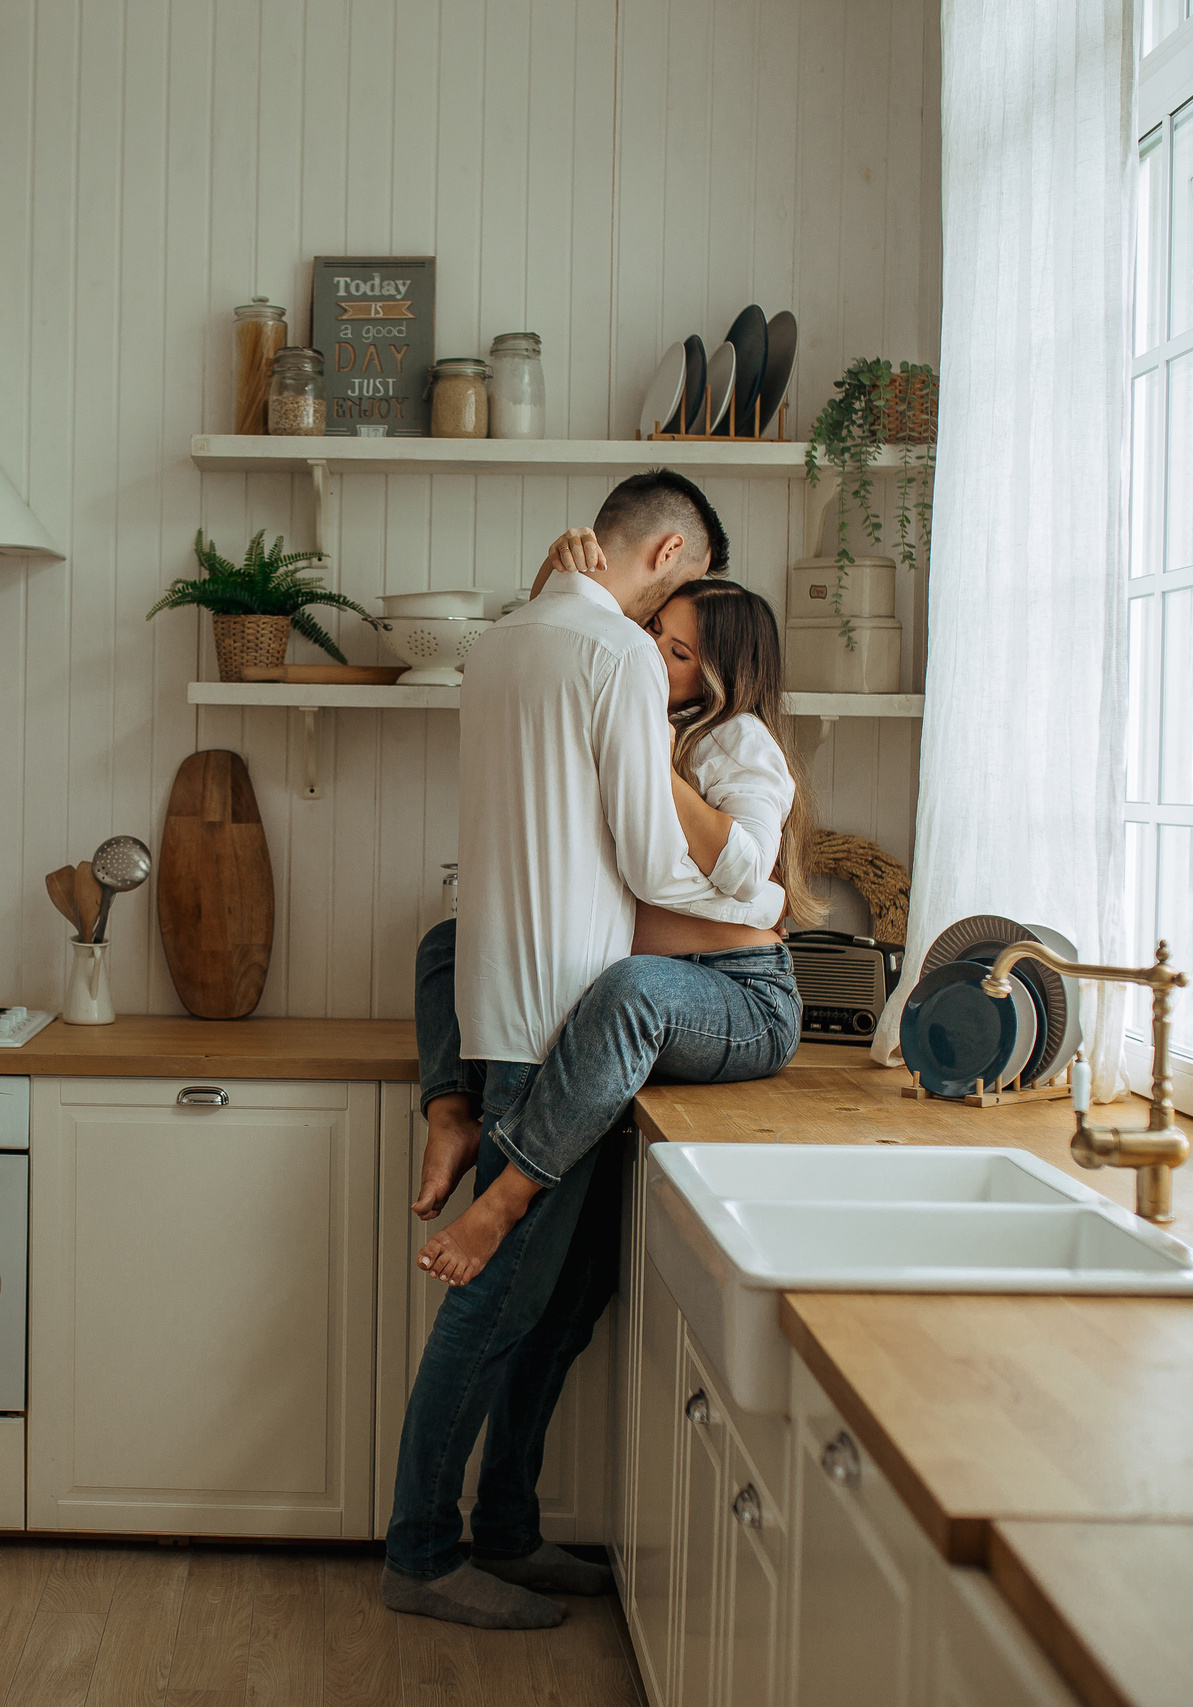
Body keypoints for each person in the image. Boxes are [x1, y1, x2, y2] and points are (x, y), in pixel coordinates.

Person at [381, 470, 735, 1631]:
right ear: (670, 550)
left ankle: (509, 1533)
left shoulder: (501, 642)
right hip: (561, 1023)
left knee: (557, 1301)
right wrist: (755, 898)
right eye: (689, 581)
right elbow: (645, 852)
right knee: (494, 1307)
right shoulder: (618, 656)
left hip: (504, 1011)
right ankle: (424, 1556)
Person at [414, 575, 819, 1285]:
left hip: (741, 998)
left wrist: (663, 770)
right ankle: (451, 1111)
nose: (653, 651)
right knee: (449, 941)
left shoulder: (736, 739)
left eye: (680, 651)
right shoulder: (624, 702)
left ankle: (507, 1195)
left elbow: (750, 866)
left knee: (634, 989)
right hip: (641, 988)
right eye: (654, 630)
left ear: (722, 674)